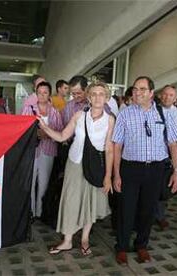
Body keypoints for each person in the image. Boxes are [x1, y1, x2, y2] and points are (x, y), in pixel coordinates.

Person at [38, 82, 115, 256]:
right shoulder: (79, 115)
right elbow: (63, 136)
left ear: (107, 97)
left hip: (95, 166)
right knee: (71, 201)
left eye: (101, 94)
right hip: (74, 163)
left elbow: (109, 149)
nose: (97, 97)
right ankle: (67, 240)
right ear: (88, 97)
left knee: (90, 202)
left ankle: (85, 239)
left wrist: (108, 176)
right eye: (93, 94)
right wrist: (45, 128)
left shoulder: (110, 120)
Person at [113, 76, 177, 265]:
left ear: (152, 93)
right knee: (126, 209)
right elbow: (117, 145)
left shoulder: (164, 114)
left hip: (155, 169)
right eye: (135, 89)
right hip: (130, 168)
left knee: (148, 209)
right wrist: (116, 174)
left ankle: (141, 245)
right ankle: (121, 246)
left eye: (142, 89)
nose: (137, 92)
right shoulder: (125, 113)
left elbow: (173, 144)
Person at [22, 82, 63, 218]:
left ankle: (40, 212)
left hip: (49, 150)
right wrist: (36, 134)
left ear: (49, 94)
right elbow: (22, 128)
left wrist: (48, 134)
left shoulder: (55, 111)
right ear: (36, 93)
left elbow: (60, 130)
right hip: (32, 150)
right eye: (40, 92)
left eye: (45, 92)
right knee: (31, 180)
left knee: (44, 182)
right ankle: (31, 211)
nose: (42, 95)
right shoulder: (29, 109)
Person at [155, 84, 177, 230]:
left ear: (175, 98)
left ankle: (160, 216)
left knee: (163, 188)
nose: (167, 97)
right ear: (160, 95)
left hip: (167, 155)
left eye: (171, 95)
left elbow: (173, 138)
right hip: (151, 155)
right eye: (165, 94)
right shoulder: (152, 108)